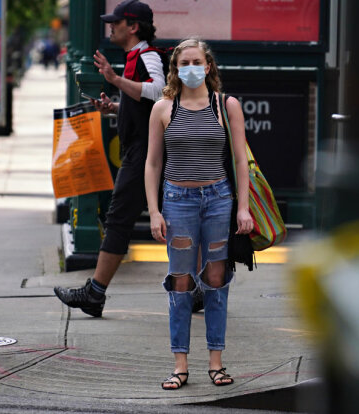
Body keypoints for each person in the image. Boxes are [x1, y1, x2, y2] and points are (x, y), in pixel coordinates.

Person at [144, 38, 253, 390]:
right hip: (178, 199)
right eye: (183, 62)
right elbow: (152, 163)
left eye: (197, 61)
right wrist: (154, 211)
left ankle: (216, 363)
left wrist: (244, 207)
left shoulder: (226, 105)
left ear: (208, 66)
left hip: (218, 198)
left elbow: (241, 160)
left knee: (217, 279)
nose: (190, 67)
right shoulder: (163, 108)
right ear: (175, 69)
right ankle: (180, 364)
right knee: (180, 280)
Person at [54, 0, 166, 317]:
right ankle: (199, 289)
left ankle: (95, 293)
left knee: (119, 218)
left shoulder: (147, 56)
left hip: (146, 153)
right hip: (143, 150)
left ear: (133, 27)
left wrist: (116, 81)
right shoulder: (135, 57)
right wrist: (117, 107)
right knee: (172, 219)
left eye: (116, 22)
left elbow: (159, 92)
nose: (110, 26)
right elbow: (144, 104)